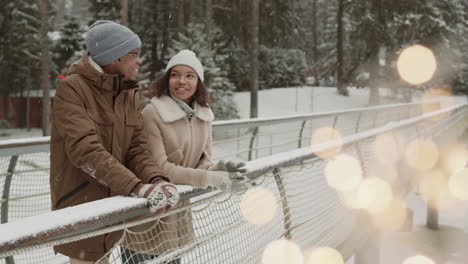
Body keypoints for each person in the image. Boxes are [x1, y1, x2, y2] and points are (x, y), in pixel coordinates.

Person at [50, 20, 179, 264]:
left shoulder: (128, 91)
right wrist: (136, 187)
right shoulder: (72, 89)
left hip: (114, 206)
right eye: (135, 54)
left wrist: (156, 179)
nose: (139, 61)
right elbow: (85, 150)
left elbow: (137, 148)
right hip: (83, 207)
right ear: (115, 57)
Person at [118, 50, 247, 262]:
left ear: (199, 82)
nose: (181, 81)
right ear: (167, 79)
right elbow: (159, 168)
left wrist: (218, 168)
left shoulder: (204, 115)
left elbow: (202, 162)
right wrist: (208, 178)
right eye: (175, 74)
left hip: (177, 215)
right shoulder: (153, 113)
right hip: (149, 214)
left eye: (190, 75)